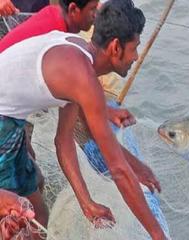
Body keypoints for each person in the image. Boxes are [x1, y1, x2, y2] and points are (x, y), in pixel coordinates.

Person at [0, 0, 167, 239]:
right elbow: (118, 171)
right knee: (16, 222)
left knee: (37, 216)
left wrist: (86, 201)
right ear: (116, 47)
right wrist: (158, 235)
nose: (136, 56)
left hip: (11, 120)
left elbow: (64, 140)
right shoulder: (83, 77)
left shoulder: (79, 55)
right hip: (3, 124)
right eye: (134, 47)